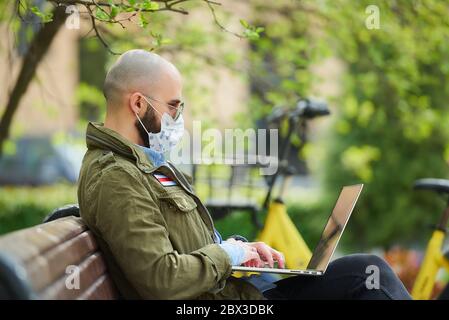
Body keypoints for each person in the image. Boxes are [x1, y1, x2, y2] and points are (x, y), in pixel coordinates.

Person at [77, 49, 411, 300]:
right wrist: (229, 256)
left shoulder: (141, 166)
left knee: (363, 273)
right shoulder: (116, 178)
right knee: (368, 274)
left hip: (239, 294)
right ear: (138, 103)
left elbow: (185, 246)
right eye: (174, 105)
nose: (179, 117)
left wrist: (240, 248)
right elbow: (162, 278)